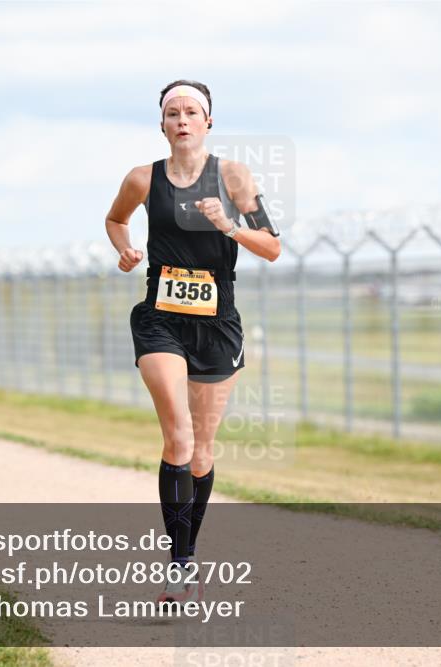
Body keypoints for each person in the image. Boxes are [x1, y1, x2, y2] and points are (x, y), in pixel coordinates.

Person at [104, 80, 281, 606]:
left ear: (208, 122)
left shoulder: (233, 176)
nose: (182, 119)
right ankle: (179, 567)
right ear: (162, 124)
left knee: (201, 451)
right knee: (178, 437)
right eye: (172, 112)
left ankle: (187, 551)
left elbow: (271, 247)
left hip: (217, 319)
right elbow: (115, 220)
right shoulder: (142, 178)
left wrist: (229, 226)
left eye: (192, 112)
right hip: (159, 317)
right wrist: (127, 250)